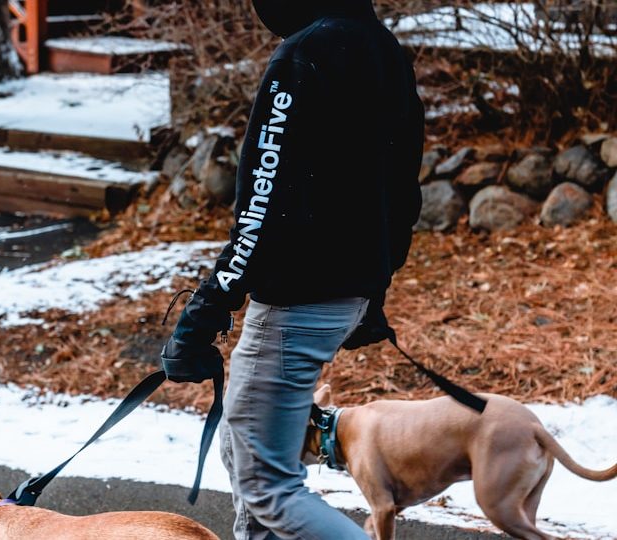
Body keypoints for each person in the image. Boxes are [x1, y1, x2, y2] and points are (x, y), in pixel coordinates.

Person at [161, 0, 424, 538]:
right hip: (342, 295)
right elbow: (402, 190)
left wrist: (207, 308)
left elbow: (262, 202)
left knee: (267, 485)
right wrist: (372, 289)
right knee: (242, 455)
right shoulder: (383, 48)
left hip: (295, 303)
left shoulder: (304, 54)